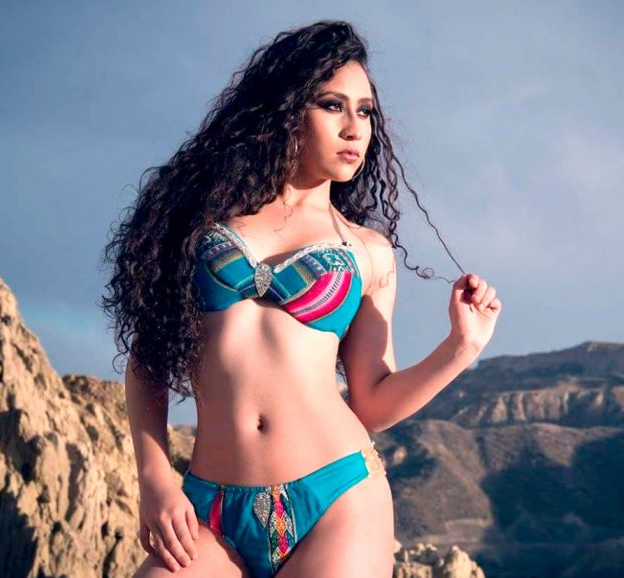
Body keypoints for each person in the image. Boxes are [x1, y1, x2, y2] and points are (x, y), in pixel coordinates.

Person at [100, 19, 501, 578]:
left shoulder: (368, 252)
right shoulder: (197, 224)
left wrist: (460, 348)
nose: (354, 128)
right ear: (285, 110)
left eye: (366, 112)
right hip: (210, 509)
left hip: (336, 498)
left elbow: (372, 403)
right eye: (333, 106)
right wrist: (155, 478)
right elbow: (149, 359)